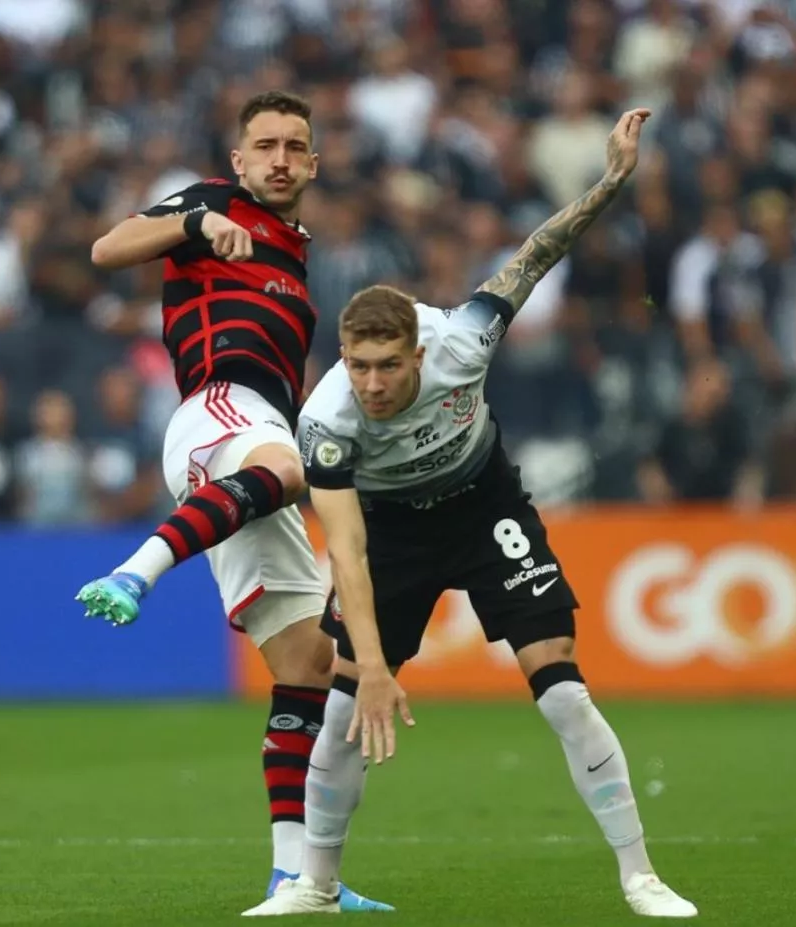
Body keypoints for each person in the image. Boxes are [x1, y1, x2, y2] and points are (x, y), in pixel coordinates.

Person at [243, 109, 698, 919]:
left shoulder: (464, 338)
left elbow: (541, 251)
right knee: (347, 705)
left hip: (484, 504)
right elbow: (346, 548)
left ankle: (640, 875)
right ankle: (313, 883)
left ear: (419, 354)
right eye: (359, 367)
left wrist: (611, 180)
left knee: (560, 686)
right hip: (391, 529)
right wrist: (376, 666)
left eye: (388, 367)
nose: (373, 385)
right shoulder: (327, 422)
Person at [75, 90, 389, 912]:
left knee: (308, 669)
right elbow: (109, 248)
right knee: (288, 469)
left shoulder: (294, 248)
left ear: (314, 163)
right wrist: (191, 224)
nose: (280, 158)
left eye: (295, 146)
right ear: (240, 158)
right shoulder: (216, 201)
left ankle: (297, 878)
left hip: (258, 437)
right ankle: (138, 570)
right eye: (265, 145)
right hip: (217, 408)